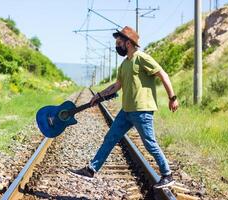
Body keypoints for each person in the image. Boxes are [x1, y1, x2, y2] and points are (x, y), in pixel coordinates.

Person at [69, 26, 179, 188]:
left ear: (128, 43)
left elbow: (163, 74)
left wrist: (172, 97)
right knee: (110, 138)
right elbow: (116, 86)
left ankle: (167, 174)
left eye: (119, 42)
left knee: (149, 143)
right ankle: (91, 169)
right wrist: (98, 96)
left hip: (142, 110)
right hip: (127, 110)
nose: (117, 46)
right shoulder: (124, 64)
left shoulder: (141, 58)